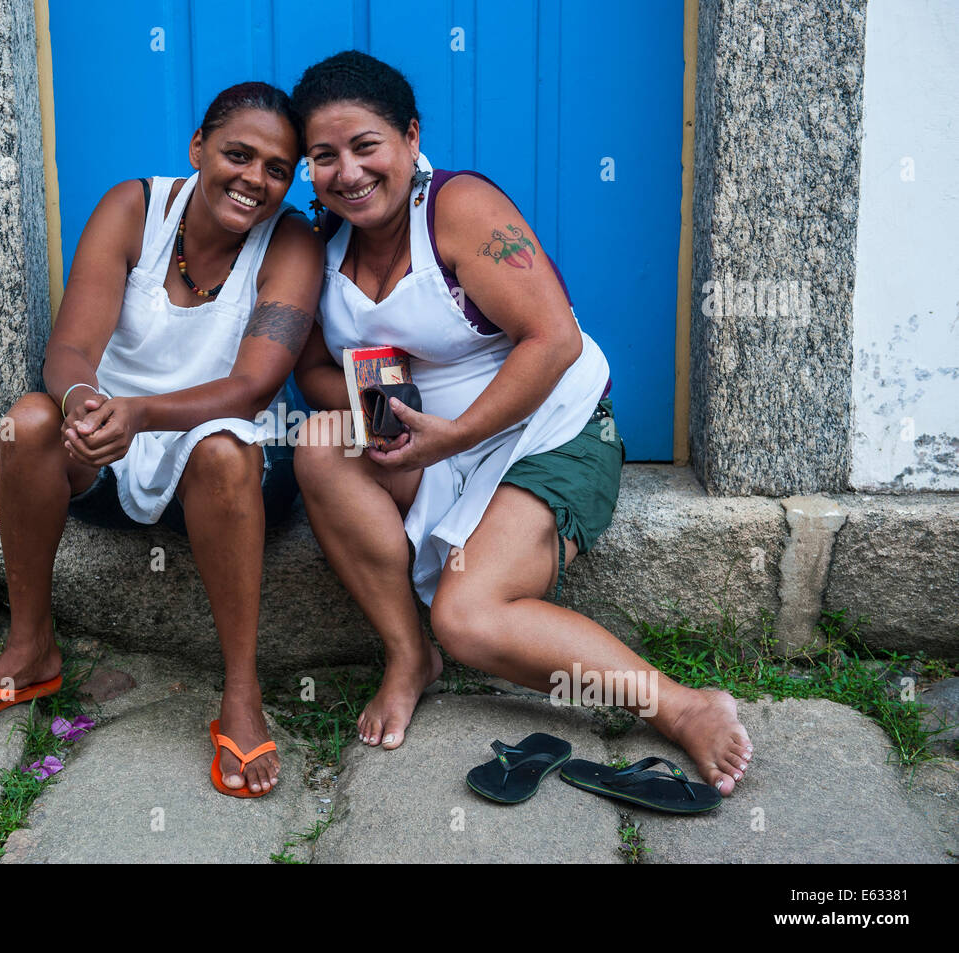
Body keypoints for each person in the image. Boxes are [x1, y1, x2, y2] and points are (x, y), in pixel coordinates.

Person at [289, 51, 752, 795]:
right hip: (433, 442)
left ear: (410, 137)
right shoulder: (320, 246)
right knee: (316, 446)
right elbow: (312, 369)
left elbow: (555, 339)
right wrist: (383, 409)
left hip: (546, 429)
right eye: (324, 156)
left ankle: (682, 706)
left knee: (469, 619)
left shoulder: (457, 207)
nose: (347, 172)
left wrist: (452, 433)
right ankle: (409, 654)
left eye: (366, 145)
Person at [0, 82, 323, 798]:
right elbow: (70, 349)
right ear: (198, 147)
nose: (255, 180)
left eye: (276, 168)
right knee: (29, 420)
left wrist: (139, 412)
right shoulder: (134, 208)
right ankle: (29, 646)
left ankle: (241, 691)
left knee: (223, 446)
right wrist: (85, 404)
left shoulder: (291, 241)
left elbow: (253, 388)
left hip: (228, 468)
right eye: (238, 154)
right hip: (109, 450)